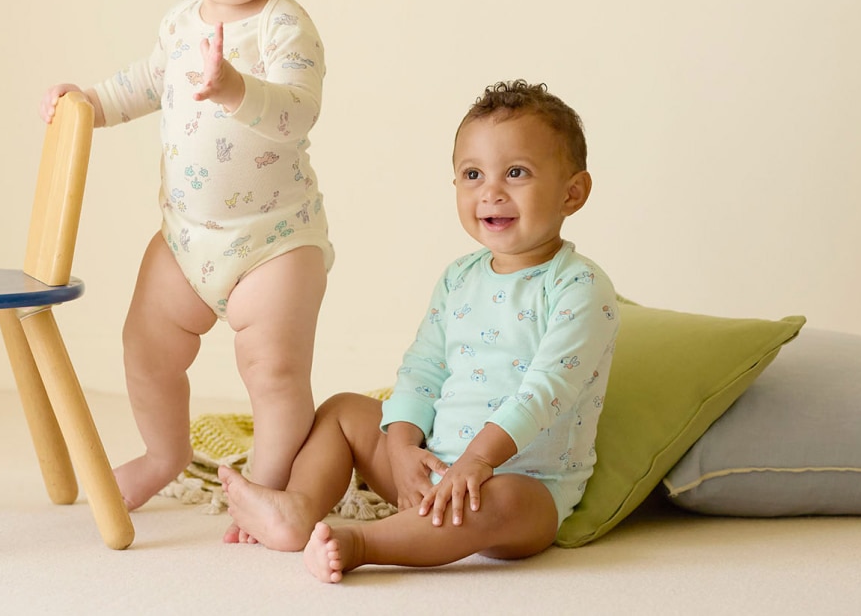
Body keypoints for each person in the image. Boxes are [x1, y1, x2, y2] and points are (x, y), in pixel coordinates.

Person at [40, 0, 331, 525]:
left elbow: (298, 114)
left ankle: (261, 486)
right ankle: (162, 453)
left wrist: (236, 87)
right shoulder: (178, 29)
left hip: (274, 241)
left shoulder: (284, 29)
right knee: (145, 348)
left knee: (274, 372)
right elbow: (141, 85)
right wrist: (88, 102)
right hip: (186, 237)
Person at [218, 80, 618, 582]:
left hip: (523, 480)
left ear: (572, 192)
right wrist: (403, 447)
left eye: (516, 173)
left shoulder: (579, 286)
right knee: (343, 410)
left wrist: (476, 463)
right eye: (473, 174)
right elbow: (423, 369)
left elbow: (546, 393)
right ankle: (297, 508)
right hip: (431, 468)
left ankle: (363, 542)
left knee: (501, 503)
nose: (491, 191)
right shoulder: (459, 277)